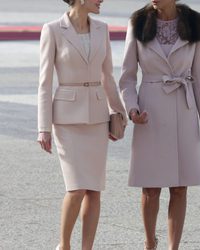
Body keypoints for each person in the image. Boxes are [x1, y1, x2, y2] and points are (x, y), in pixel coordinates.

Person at [119, 0, 200, 249]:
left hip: (184, 111)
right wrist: (132, 109)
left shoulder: (194, 23)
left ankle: (173, 247)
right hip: (149, 112)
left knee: (179, 187)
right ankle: (150, 242)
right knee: (150, 188)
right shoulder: (138, 22)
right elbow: (127, 77)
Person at [37, 0, 127, 249]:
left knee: (94, 190)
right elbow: (44, 82)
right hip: (66, 120)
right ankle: (64, 245)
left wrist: (119, 113)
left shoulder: (102, 29)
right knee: (76, 189)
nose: (101, 0)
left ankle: (87, 247)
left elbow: (107, 76)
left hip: (97, 118)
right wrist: (43, 127)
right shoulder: (53, 29)